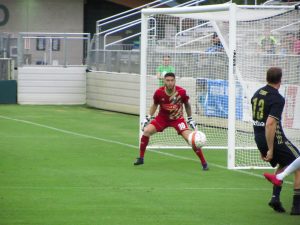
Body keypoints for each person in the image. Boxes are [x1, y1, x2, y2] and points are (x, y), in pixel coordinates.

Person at [134, 72, 208, 170]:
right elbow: (155, 105)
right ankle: (141, 158)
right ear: (164, 81)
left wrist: (190, 119)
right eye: (167, 80)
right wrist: (148, 117)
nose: (170, 82)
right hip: (162, 118)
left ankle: (204, 163)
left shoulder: (181, 92)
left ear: (175, 81)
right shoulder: (159, 92)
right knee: (146, 131)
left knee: (191, 139)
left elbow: (187, 105)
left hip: (178, 119)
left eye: (172, 80)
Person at [251, 67, 300, 215]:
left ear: (267, 78)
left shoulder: (257, 93)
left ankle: (275, 198)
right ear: (280, 80)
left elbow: (257, 121)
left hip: (259, 137)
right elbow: (270, 123)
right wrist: (270, 148)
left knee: (284, 163)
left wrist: (262, 147)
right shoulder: (277, 98)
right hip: (275, 139)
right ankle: (297, 207)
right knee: (298, 163)